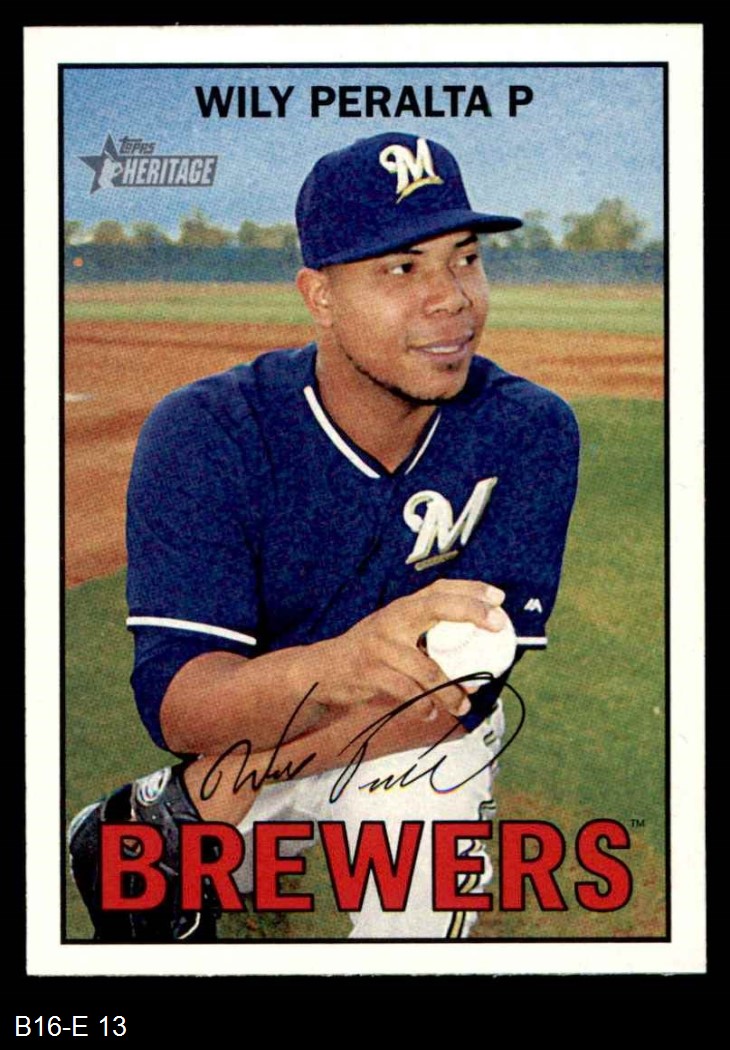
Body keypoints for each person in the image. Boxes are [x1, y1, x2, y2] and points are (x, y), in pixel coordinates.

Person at [69, 132, 580, 942]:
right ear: (320, 296)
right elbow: (183, 707)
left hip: (397, 742)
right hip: (251, 727)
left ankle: (164, 814)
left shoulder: (529, 430)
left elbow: (460, 694)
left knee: (423, 893)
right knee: (144, 913)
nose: (451, 297)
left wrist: (198, 799)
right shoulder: (209, 430)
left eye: (466, 257)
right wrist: (344, 664)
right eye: (402, 268)